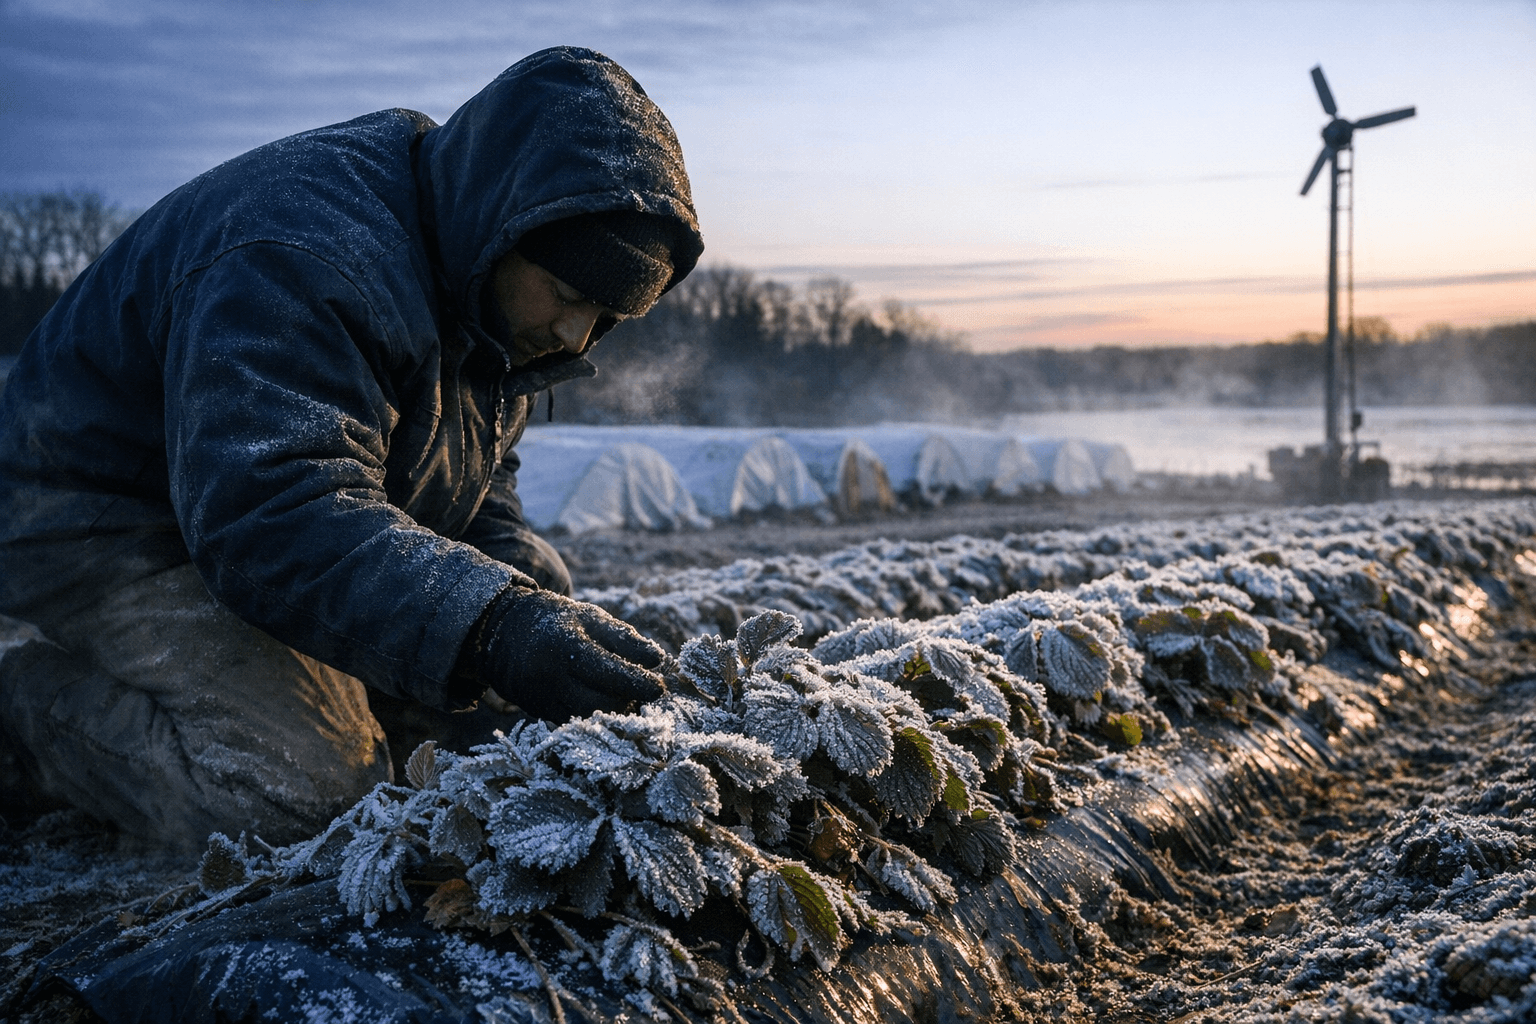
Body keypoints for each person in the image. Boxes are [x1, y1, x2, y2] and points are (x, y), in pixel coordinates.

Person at [0, 47, 704, 854]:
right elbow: (270, 508)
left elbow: (472, 467)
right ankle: (26, 710)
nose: (578, 336)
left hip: (240, 515)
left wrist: (521, 588)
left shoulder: (482, 273)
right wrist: (490, 626)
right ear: (508, 221)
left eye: (610, 315)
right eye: (572, 296)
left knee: (507, 654)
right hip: (106, 523)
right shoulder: (304, 254)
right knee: (305, 797)